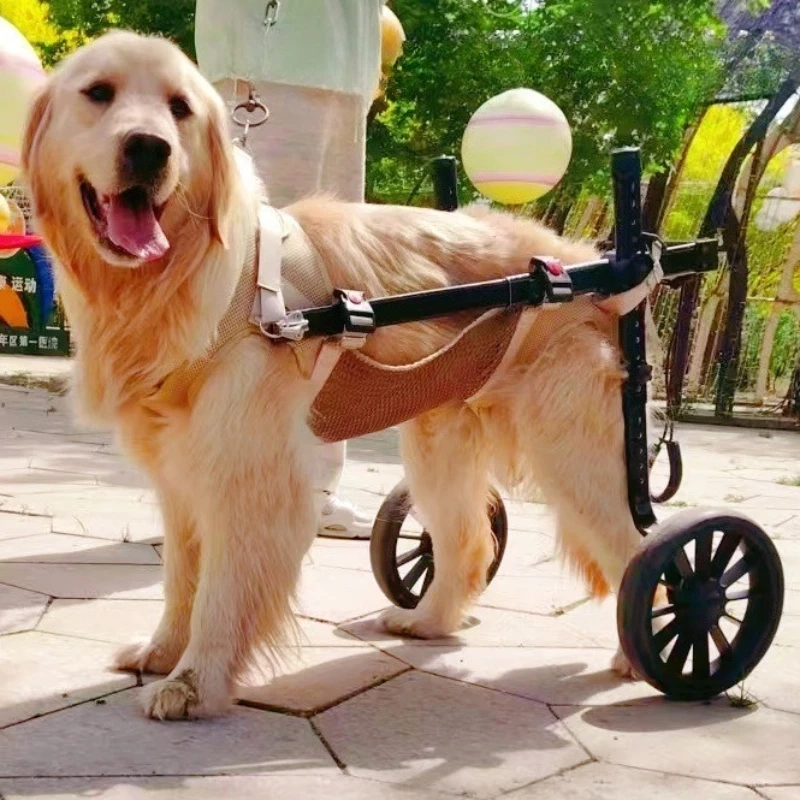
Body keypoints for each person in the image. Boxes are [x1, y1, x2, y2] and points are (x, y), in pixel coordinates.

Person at [194, 0, 404, 538]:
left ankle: (310, 488)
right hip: (271, 56)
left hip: (340, 61)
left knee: (331, 275)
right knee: (254, 269)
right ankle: (228, 483)